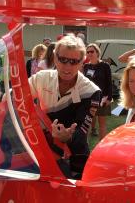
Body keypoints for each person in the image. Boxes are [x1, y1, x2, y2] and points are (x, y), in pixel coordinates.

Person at [28, 35, 101, 177]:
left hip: (75, 155)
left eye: (74, 62)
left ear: (82, 62)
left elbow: (81, 133)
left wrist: (68, 137)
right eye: (62, 60)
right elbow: (15, 96)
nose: (67, 67)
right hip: (44, 149)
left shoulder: (91, 91)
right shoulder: (41, 77)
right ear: (55, 58)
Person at [83, 43, 112, 139]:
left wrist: (109, 98)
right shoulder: (86, 66)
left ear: (97, 52)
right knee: (86, 124)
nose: (90, 54)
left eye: (92, 51)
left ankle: (101, 147)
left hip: (102, 98)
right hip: (89, 99)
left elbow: (109, 83)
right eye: (88, 52)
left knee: (102, 124)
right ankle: (84, 147)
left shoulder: (105, 66)